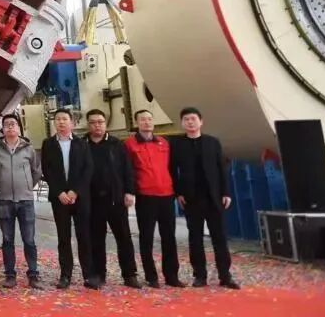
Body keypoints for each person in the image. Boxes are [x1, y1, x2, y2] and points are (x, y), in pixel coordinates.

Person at [171, 107, 239, 289]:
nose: (190, 122)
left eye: (193, 119)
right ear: (182, 123)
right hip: (191, 198)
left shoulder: (212, 142)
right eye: (186, 119)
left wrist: (225, 193)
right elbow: (173, 171)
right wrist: (178, 193)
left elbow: (221, 168)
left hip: (214, 197)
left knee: (219, 237)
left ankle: (225, 275)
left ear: (201, 122)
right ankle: (200, 275)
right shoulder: (177, 144)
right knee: (195, 238)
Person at [123, 108, 183, 288]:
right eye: (143, 119)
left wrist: (177, 192)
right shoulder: (130, 144)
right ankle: (151, 276)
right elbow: (128, 170)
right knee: (146, 237)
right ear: (137, 123)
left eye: (149, 119)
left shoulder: (164, 143)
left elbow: (172, 169)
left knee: (169, 237)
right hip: (145, 196)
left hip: (166, 195)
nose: (147, 122)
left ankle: (171, 275)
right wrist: (130, 191)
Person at [40, 108, 99, 290]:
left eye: (65, 119)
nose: (61, 122)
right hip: (59, 199)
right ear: (54, 123)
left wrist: (75, 191)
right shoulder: (48, 144)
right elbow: (47, 170)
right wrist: (59, 192)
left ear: (72, 122)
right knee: (63, 237)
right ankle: (65, 275)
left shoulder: (82, 144)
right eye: (58, 119)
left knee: (84, 236)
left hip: (80, 198)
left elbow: (88, 169)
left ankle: (88, 275)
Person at [85, 109, 141, 288]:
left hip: (115, 199)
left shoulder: (116, 144)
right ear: (88, 125)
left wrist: (129, 191)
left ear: (105, 123)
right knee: (95, 239)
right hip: (92, 201)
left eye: (100, 122)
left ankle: (130, 275)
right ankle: (98, 275)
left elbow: (127, 169)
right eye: (93, 122)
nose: (97, 125)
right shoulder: (81, 145)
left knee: (124, 237)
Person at [0, 113, 41, 288]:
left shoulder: (28, 149)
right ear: (2, 129)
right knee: (7, 240)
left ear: (19, 127)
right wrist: (4, 184)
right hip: (5, 201)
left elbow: (36, 171)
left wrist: (27, 186)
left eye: (13, 124)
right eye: (6, 124)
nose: (10, 127)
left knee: (29, 240)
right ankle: (10, 275)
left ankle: (33, 274)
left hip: (26, 200)